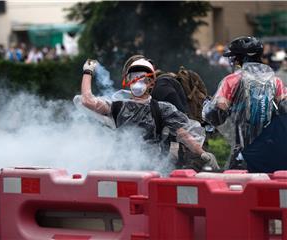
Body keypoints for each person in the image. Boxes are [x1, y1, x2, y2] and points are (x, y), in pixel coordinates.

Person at [78, 57, 220, 172]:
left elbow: (184, 134)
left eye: (142, 77)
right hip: (122, 169)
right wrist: (88, 72)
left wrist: (202, 153)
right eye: (134, 76)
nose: (137, 80)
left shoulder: (163, 109)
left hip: (152, 171)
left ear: (151, 82)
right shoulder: (118, 106)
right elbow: (87, 100)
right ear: (127, 80)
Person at [203, 36, 287, 173]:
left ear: (240, 59)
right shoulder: (275, 81)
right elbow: (285, 108)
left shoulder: (232, 80)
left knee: (237, 189)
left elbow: (217, 113)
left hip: (242, 153)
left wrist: (206, 106)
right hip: (270, 150)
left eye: (234, 58)